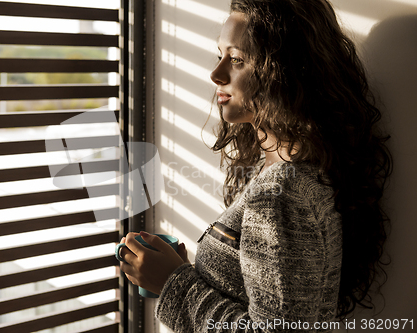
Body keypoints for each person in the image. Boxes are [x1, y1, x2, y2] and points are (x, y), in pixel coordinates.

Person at [118, 0, 392, 331]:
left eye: (236, 60)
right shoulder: (293, 170)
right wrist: (195, 271)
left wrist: (173, 282)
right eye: (220, 55)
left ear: (283, 71)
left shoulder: (281, 192)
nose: (216, 74)